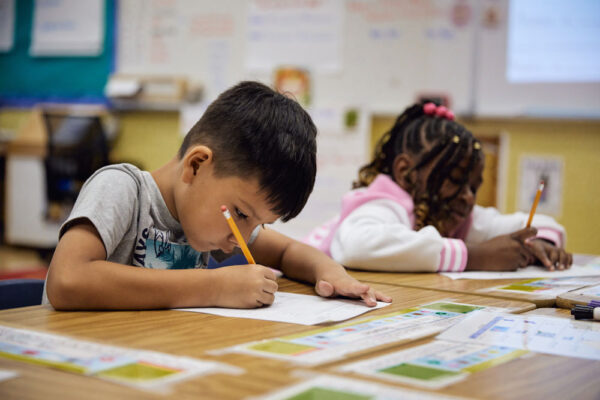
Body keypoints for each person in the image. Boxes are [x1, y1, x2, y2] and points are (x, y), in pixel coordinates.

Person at [45, 81, 392, 310]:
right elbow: (68, 280)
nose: (241, 238)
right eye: (241, 215)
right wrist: (213, 287)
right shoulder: (122, 188)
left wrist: (332, 273)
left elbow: (287, 251)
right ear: (196, 166)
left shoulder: (216, 220)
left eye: (257, 223)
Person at [305, 102, 572, 273]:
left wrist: (540, 241)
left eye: (474, 187)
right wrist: (475, 257)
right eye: (455, 180)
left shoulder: (458, 217)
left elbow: (541, 223)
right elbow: (356, 246)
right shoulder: (386, 203)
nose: (468, 197)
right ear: (405, 172)